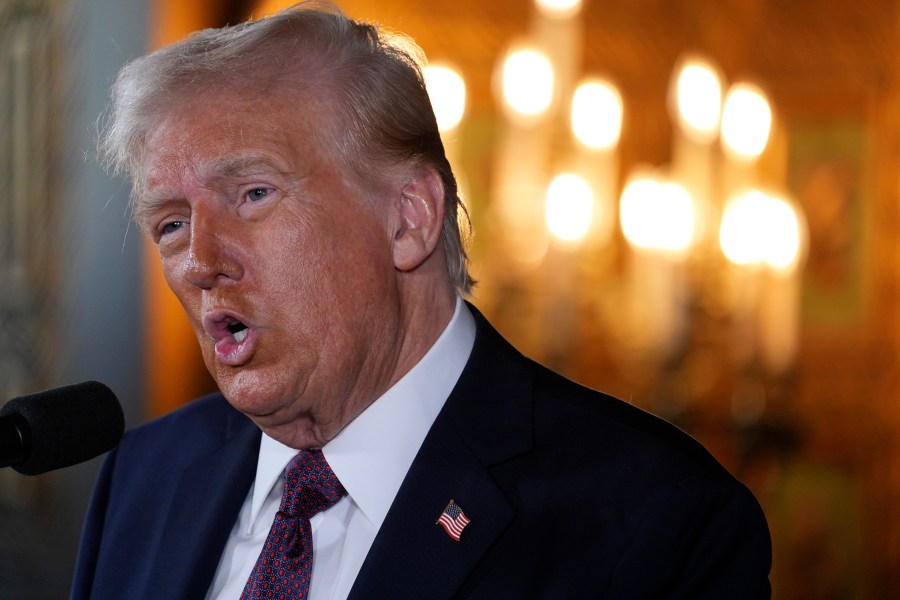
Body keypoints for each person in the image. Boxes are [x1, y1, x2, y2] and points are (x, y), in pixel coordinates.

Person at [71, 2, 771, 598]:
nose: (200, 261)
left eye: (253, 195)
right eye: (170, 224)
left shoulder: (658, 522)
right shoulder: (143, 479)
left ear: (409, 218)